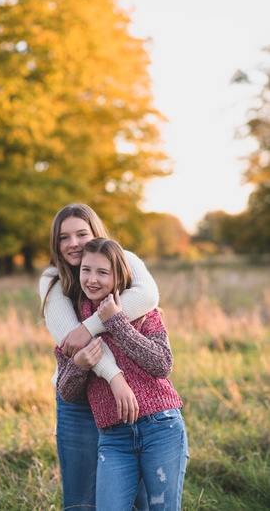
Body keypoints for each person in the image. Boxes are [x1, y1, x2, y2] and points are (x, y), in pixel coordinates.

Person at [39, 204, 160, 511]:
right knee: (82, 500)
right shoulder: (52, 280)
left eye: (82, 234)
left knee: (136, 498)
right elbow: (79, 346)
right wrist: (115, 376)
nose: (73, 243)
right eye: (64, 237)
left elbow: (147, 297)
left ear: (96, 233)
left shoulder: (124, 259)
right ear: (56, 243)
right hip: (78, 399)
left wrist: (90, 326)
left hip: (127, 395)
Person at [54, 237, 189, 511]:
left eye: (102, 272)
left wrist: (116, 322)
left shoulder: (142, 313)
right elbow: (66, 393)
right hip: (113, 439)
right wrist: (79, 364)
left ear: (118, 275)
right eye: (86, 270)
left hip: (160, 427)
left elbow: (162, 364)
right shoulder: (74, 325)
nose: (92, 279)